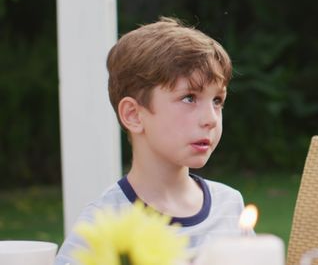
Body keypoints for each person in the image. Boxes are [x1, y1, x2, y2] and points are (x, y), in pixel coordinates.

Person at [55, 17, 249, 264]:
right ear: (134, 115)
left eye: (217, 101)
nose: (211, 119)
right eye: (189, 98)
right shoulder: (103, 225)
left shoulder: (230, 207)